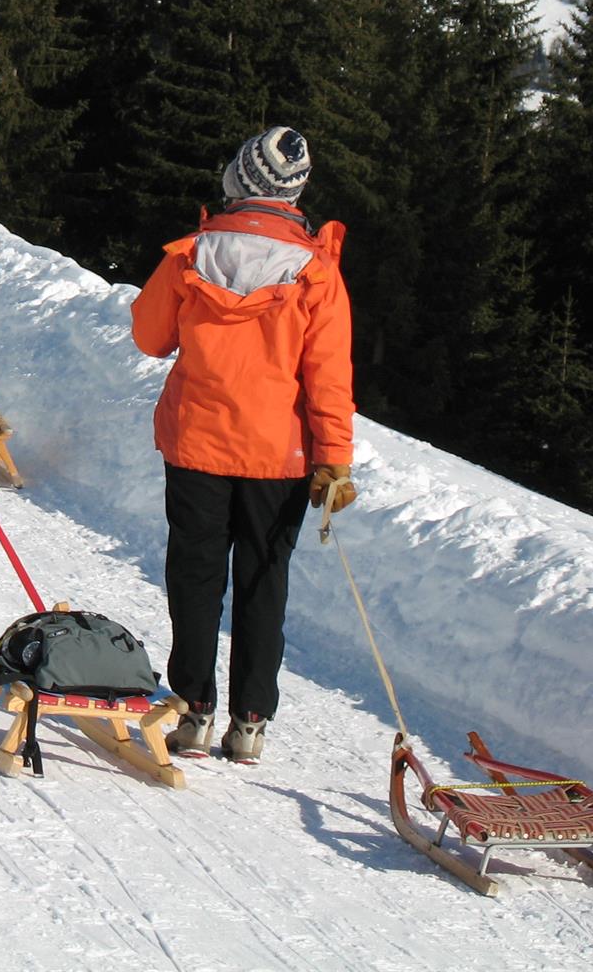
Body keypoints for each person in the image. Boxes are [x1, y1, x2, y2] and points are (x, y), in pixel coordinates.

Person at [129, 126, 355, 764]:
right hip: (277, 454)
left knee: (195, 576)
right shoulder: (317, 271)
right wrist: (333, 457)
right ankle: (250, 721)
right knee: (263, 580)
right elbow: (329, 378)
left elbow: (149, 336)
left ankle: (193, 709)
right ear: (293, 191)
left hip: (198, 441)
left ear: (240, 179)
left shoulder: (190, 253)